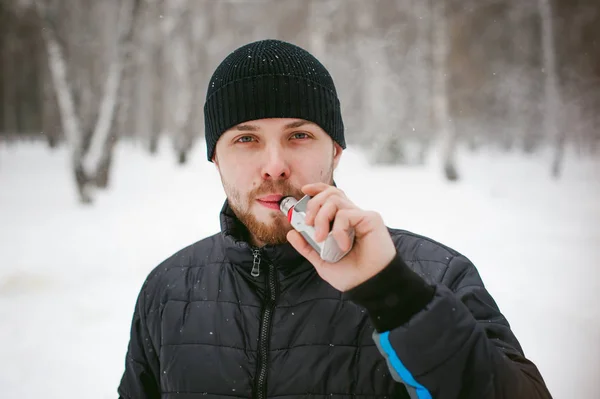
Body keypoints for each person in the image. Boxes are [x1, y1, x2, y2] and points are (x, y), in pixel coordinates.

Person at [117, 39, 552, 399]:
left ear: (336, 150)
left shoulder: (433, 275)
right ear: (215, 158)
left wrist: (392, 293)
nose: (274, 166)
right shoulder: (168, 289)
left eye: (299, 135)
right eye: (246, 139)